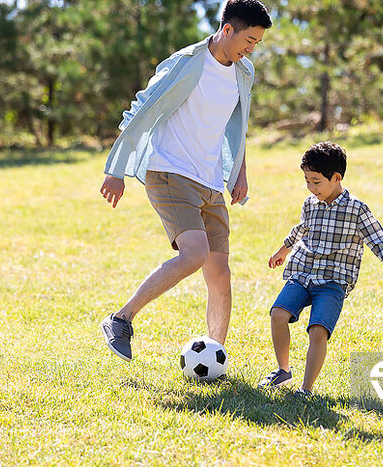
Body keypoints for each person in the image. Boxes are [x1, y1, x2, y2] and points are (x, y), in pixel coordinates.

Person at [99, 0, 273, 362]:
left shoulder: (244, 72)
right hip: (169, 171)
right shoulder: (186, 63)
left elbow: (239, 125)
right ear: (228, 30)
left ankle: (215, 355)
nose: (251, 49)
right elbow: (143, 107)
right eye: (249, 40)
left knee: (220, 274)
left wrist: (239, 172)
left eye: (256, 43)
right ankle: (120, 319)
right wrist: (117, 169)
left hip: (208, 181)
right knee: (194, 254)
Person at [258, 141, 383, 395]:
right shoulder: (310, 203)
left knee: (318, 330)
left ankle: (305, 389)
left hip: (333, 281)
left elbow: (377, 238)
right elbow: (301, 229)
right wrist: (283, 250)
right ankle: (283, 371)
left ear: (336, 178)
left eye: (316, 181)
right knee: (278, 314)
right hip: (303, 273)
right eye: (307, 180)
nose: (310, 187)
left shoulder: (356, 209)